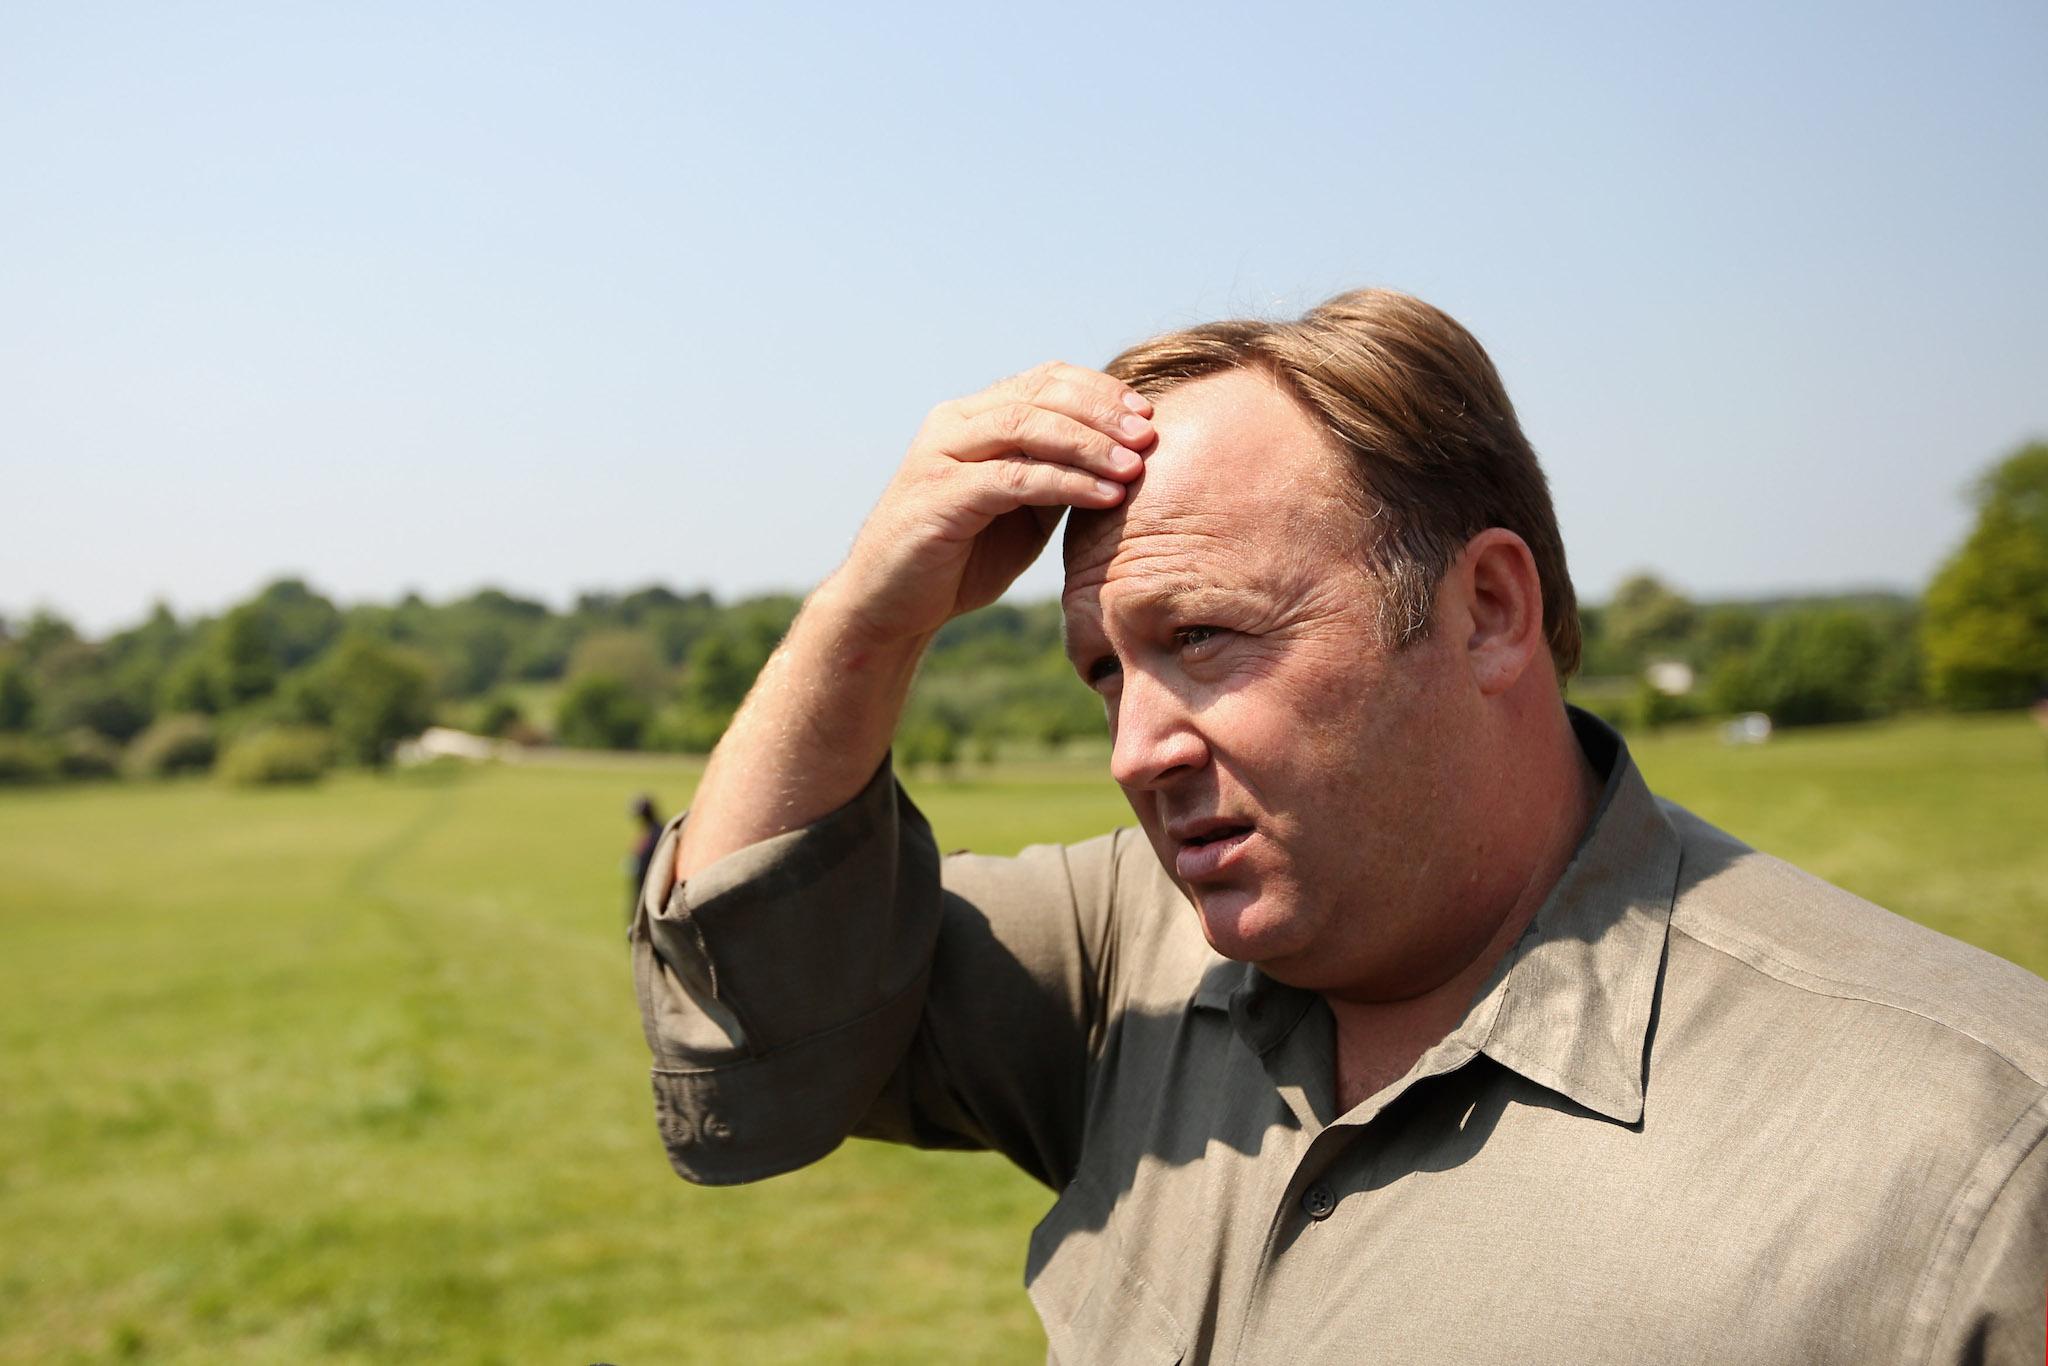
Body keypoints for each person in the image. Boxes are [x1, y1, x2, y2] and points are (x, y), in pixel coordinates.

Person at [628, 290, 2048, 1362]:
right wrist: (867, 618)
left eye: (1206, 635)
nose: (1135, 747)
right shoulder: (1135, 942)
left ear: (1487, 608)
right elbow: (753, 1026)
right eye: (1106, 668)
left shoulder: (1969, 1161)